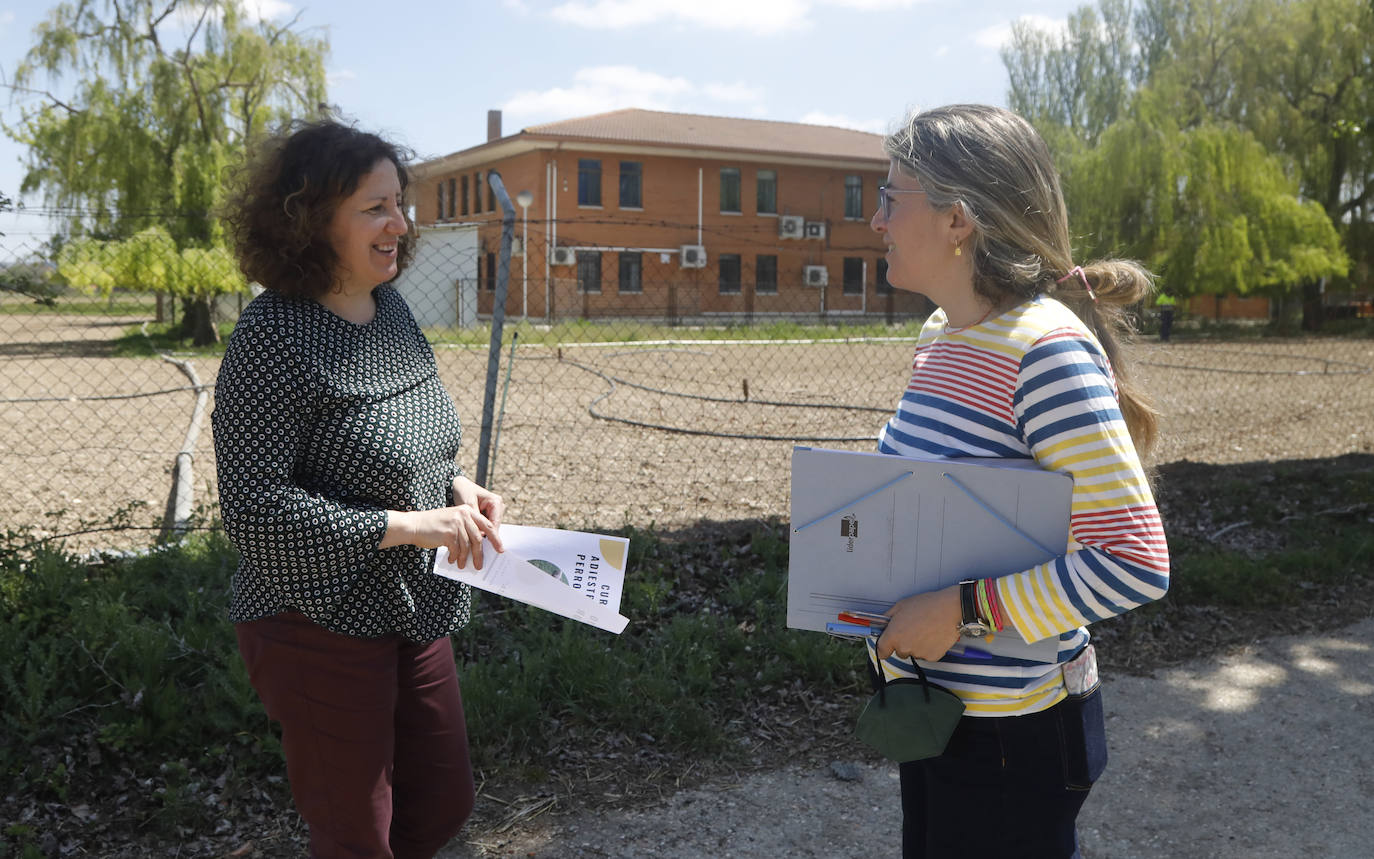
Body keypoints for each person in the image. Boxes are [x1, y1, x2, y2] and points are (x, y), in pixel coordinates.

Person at [867, 104, 1169, 858]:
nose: (875, 220)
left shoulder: (1046, 353)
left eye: (890, 196)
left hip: (1014, 739)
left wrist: (963, 611)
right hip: (939, 710)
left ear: (956, 222)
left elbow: (1135, 560)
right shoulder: (942, 338)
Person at [213, 118, 504, 859]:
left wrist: (457, 488)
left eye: (399, 203)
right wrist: (412, 525)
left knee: (442, 800)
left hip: (412, 600)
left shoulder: (393, 312)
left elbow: (413, 442)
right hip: (315, 618)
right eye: (376, 207)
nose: (400, 224)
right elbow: (254, 509)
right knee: (354, 834)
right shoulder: (272, 335)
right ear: (313, 221)